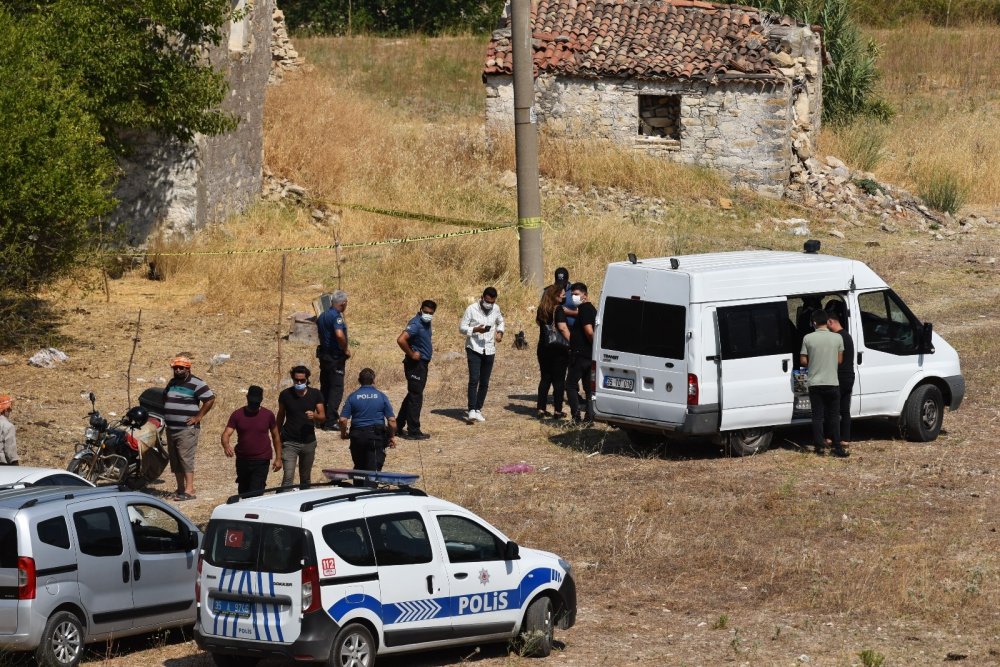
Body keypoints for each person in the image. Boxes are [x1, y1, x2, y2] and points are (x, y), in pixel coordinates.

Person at [163, 355, 215, 500]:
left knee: (185, 458)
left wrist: (198, 417)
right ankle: (180, 489)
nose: (178, 370)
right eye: (175, 368)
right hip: (171, 428)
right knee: (176, 459)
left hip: (186, 429)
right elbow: (165, 397)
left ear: (188, 369)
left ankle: (190, 490)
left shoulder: (197, 383)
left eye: (181, 368)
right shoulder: (172, 382)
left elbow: (209, 399)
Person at [800, 310, 848, 458]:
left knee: (817, 417)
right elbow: (839, 360)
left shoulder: (808, 338)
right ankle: (837, 447)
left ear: (814, 322)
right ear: (827, 321)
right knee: (834, 416)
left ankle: (819, 447)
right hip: (832, 382)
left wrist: (814, 362)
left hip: (815, 383)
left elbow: (802, 360)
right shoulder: (837, 338)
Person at [339, 368, 397, 485]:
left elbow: (343, 419)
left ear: (359, 380)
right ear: (373, 380)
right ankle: (369, 495)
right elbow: (391, 421)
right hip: (375, 436)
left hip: (357, 436)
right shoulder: (381, 396)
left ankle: (357, 492)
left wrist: (343, 433)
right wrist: (391, 436)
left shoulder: (353, 396)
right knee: (373, 471)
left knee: (359, 469)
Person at [221, 386, 282, 496]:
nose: (254, 404)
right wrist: (226, 445)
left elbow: (276, 436)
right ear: (247, 398)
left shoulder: (268, 415)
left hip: (262, 459)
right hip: (243, 459)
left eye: (256, 402)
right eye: (252, 401)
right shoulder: (237, 414)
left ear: (261, 400)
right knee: (243, 490)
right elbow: (226, 433)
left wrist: (278, 458)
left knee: (256, 491)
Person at [459, 287, 505, 423]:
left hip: (489, 349)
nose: (488, 304)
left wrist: (500, 332)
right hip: (474, 347)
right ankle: (471, 409)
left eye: (491, 302)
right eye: (487, 301)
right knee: (474, 379)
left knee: (484, 381)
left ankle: (478, 409)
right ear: (482, 297)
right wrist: (475, 329)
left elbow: (500, 321)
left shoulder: (496, 308)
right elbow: (462, 328)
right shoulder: (471, 309)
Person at [276, 366, 325, 489]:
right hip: (289, 442)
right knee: (288, 477)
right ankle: (282, 501)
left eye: (302, 380)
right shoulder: (285, 394)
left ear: (307, 379)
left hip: (308, 442)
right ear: (293, 379)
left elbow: (323, 417)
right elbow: (280, 416)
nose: (299, 383)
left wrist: (314, 416)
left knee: (305, 478)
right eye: (296, 380)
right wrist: (276, 435)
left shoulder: (315, 394)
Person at [396, 300, 436, 440]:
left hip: (422, 364)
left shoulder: (426, 323)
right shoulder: (416, 323)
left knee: (412, 395)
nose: (428, 315)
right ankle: (413, 430)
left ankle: (397, 425)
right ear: (420, 310)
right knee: (416, 397)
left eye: (431, 313)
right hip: (415, 365)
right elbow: (401, 339)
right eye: (425, 312)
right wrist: (412, 353)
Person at [316, 290, 350, 430]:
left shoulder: (323, 315)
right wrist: (345, 349)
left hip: (324, 355)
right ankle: (331, 420)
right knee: (336, 388)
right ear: (343, 303)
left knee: (325, 387)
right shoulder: (337, 317)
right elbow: (339, 335)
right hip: (334, 357)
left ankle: (321, 417)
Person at [536, 283, 571, 418]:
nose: (564, 295)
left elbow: (539, 324)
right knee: (559, 380)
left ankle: (541, 408)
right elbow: (562, 328)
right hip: (558, 349)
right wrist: (571, 343)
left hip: (543, 347)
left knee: (545, 378)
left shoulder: (542, 309)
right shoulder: (558, 310)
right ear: (555, 295)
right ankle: (557, 410)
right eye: (562, 293)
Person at [565, 283, 597, 424]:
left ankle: (576, 416)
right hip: (589, 355)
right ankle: (589, 417)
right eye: (572, 294)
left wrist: (595, 347)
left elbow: (589, 332)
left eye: (576, 294)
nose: (573, 297)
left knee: (571, 386)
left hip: (580, 355)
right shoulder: (590, 309)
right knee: (588, 388)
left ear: (585, 295)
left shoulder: (584, 310)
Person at [825, 304, 856, 449]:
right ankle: (846, 439)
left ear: (831, 322)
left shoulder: (837, 338)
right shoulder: (847, 336)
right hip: (849, 376)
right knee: (845, 409)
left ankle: (832, 438)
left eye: (826, 324)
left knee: (833, 409)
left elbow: (836, 360)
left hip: (839, 377)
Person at [0, 395, 19, 466]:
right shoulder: (8, 426)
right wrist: (15, 463)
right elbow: (10, 450)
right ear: (5, 410)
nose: (10, 411)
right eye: (9, 409)